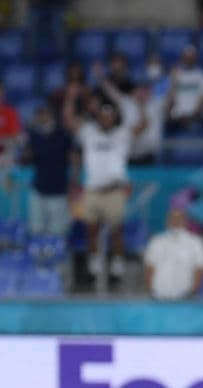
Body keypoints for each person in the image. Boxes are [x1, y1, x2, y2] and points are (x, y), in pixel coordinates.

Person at [62, 83, 145, 287]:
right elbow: (68, 120)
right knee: (91, 230)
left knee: (116, 231)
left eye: (110, 116)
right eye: (103, 115)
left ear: (114, 118)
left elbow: (144, 125)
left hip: (115, 191)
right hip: (92, 191)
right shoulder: (89, 133)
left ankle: (117, 268)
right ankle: (94, 266)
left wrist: (140, 105)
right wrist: (71, 98)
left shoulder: (122, 135)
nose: (107, 119)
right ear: (98, 117)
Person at [24, 104, 73, 239]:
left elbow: (74, 159)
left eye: (44, 113)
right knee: (36, 229)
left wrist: (73, 181)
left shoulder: (63, 135)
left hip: (58, 189)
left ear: (51, 115)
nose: (41, 116)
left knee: (58, 230)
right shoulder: (34, 135)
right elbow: (26, 159)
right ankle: (38, 259)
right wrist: (26, 138)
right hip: (39, 188)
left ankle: (57, 259)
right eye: (39, 114)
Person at [143, 207, 203, 300]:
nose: (176, 221)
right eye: (172, 218)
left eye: (179, 218)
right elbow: (149, 267)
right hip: (159, 294)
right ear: (167, 221)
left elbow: (200, 268)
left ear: (185, 221)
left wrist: (193, 292)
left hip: (185, 295)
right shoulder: (156, 241)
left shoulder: (196, 242)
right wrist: (151, 290)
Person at [166, 45, 203, 133]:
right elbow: (169, 97)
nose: (188, 60)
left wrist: (191, 116)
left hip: (196, 117)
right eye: (186, 57)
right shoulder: (175, 75)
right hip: (177, 118)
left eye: (191, 57)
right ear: (182, 58)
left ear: (195, 58)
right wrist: (173, 81)